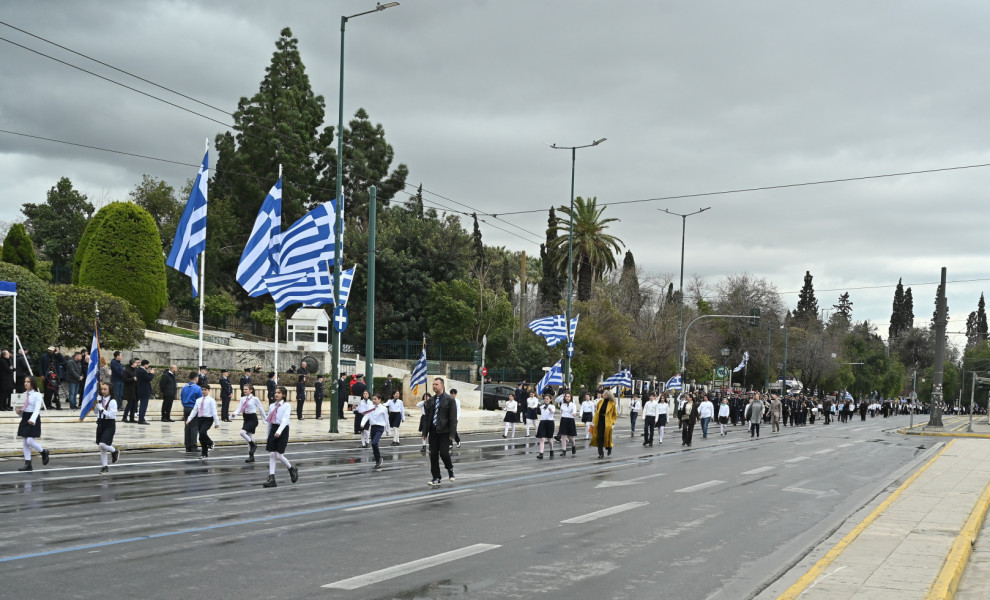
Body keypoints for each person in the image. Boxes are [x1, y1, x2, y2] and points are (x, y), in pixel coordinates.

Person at [262, 386, 299, 488]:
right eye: (275, 392)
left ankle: (291, 468)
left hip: (282, 430)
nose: (276, 394)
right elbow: (269, 421)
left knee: (279, 455)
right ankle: (272, 478)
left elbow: (285, 420)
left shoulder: (287, 405)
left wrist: (279, 431)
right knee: (272, 454)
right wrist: (268, 434)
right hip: (273, 429)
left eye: (279, 393)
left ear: (284, 395)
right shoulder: (272, 406)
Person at [424, 377, 457, 486]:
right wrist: (425, 432)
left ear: (442, 386)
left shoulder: (450, 400)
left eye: (436, 384)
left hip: (445, 432)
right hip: (433, 431)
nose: (434, 386)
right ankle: (436, 477)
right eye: (433, 384)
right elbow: (427, 417)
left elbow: (453, 418)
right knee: (433, 455)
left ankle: (450, 468)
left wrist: (452, 433)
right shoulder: (431, 401)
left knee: (444, 453)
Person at [16, 376, 49, 471]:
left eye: (28, 382)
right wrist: (18, 412)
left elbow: (37, 409)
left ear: (33, 383)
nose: (26, 383)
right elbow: (21, 408)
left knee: (30, 441)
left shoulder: (37, 395)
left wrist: (33, 419)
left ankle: (43, 452)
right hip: (25, 417)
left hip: (33, 418)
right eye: (25, 381)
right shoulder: (23, 395)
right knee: (25, 442)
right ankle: (28, 464)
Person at [232, 383, 267, 463]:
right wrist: (235, 413)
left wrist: (264, 420)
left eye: (246, 389)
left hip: (253, 419)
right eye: (244, 389)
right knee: (249, 437)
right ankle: (251, 457)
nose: (244, 391)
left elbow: (261, 409)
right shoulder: (243, 399)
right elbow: (240, 408)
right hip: (246, 418)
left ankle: (253, 445)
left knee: (242, 432)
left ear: (251, 390)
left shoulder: (255, 399)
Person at [185, 383, 220, 459]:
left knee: (202, 432)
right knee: (201, 437)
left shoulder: (211, 400)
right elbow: (194, 410)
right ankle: (204, 453)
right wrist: (189, 419)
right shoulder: (198, 400)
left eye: (205, 390)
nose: (203, 391)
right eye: (202, 390)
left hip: (208, 419)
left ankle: (210, 443)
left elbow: (214, 411)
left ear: (209, 391)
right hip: (200, 419)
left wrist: (217, 422)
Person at [94, 382, 120, 474]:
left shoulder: (112, 401)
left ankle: (114, 451)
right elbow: (96, 412)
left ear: (110, 391)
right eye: (102, 389)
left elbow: (112, 415)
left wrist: (102, 409)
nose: (103, 391)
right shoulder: (100, 399)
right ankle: (104, 466)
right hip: (101, 423)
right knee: (102, 448)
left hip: (109, 424)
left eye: (105, 389)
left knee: (102, 444)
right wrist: (97, 406)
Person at [361, 393, 391, 471]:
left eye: (375, 399)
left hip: (380, 428)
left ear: (379, 400)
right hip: (373, 427)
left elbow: (386, 420)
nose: (374, 401)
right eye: (373, 399)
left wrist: (388, 431)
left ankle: (379, 459)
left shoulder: (383, 408)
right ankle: (378, 460)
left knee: (375, 442)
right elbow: (366, 416)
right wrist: (362, 423)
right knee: (374, 445)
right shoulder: (371, 407)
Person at [590, 391, 618, 458]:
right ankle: (600, 453)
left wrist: (612, 422)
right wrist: (594, 421)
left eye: (605, 394)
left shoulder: (612, 403)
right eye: (604, 394)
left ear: (608, 395)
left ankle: (609, 447)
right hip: (600, 421)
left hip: (607, 422)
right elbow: (597, 411)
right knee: (599, 437)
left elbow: (615, 414)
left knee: (607, 437)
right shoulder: (600, 402)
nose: (604, 395)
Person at [180, 371, 202, 453]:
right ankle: (193, 446)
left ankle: (187, 446)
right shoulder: (198, 388)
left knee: (187, 428)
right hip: (193, 408)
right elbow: (200, 400)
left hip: (186, 408)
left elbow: (182, 398)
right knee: (194, 428)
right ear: (196, 378)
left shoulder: (184, 387)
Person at [136, 359, 154, 424]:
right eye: (147, 364)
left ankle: (141, 418)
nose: (148, 366)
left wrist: (149, 373)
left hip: (141, 390)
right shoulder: (142, 371)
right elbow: (148, 379)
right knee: (143, 405)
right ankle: (141, 419)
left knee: (142, 405)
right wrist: (151, 374)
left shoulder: (140, 370)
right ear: (145, 364)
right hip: (144, 390)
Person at [121, 358, 138, 422]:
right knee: (130, 404)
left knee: (134, 404)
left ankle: (132, 418)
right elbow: (125, 380)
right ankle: (124, 417)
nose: (137, 364)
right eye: (136, 363)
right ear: (133, 363)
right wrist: (133, 379)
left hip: (135, 390)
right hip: (129, 390)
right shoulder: (127, 371)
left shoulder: (136, 370)